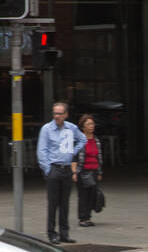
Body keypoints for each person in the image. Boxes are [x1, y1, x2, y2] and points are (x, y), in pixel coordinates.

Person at [37, 101, 86, 244]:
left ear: (66, 115)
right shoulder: (47, 129)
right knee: (53, 203)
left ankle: (64, 233)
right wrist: (47, 169)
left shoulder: (71, 128)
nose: (56, 116)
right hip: (54, 169)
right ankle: (52, 233)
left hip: (67, 169)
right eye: (55, 113)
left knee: (65, 203)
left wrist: (72, 152)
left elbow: (82, 139)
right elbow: (42, 150)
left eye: (59, 113)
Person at [74, 114, 103, 227]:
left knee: (92, 194)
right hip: (83, 171)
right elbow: (74, 157)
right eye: (88, 124)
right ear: (83, 127)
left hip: (94, 170)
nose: (91, 126)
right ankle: (82, 218)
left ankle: (88, 217)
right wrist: (75, 172)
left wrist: (100, 172)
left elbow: (99, 156)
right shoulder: (80, 140)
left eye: (92, 124)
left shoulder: (96, 140)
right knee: (83, 195)